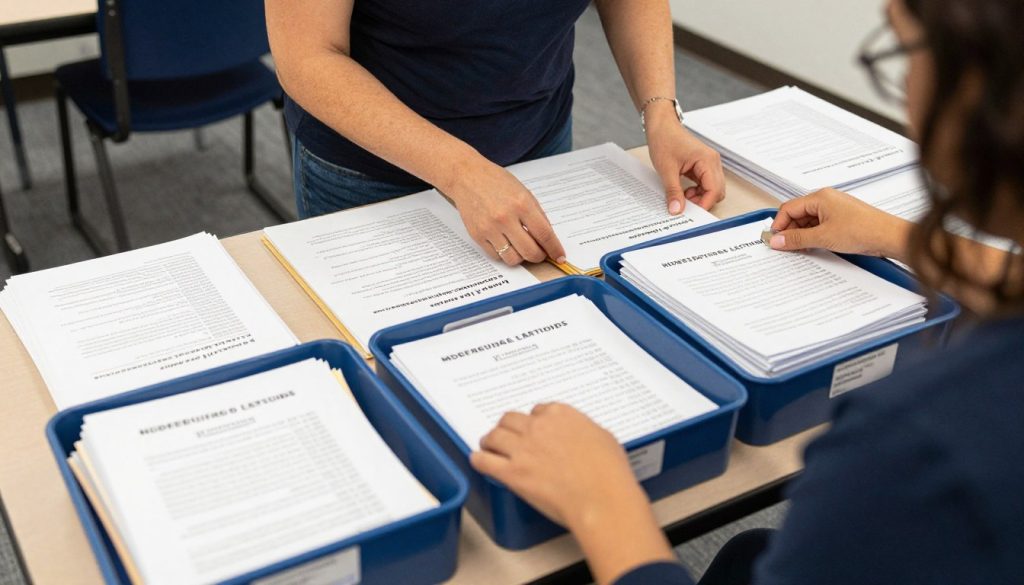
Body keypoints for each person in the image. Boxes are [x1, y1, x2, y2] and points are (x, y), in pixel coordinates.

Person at [469, 0, 1024, 583]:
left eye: (905, 51)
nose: (906, 83)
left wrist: (601, 505)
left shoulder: (912, 446)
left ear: (979, 96)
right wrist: (895, 235)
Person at [265, 0, 725, 267]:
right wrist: (462, 172)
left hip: (537, 137)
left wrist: (660, 110)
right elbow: (307, 57)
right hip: (375, 169)